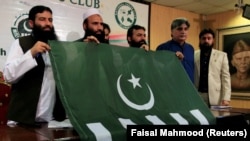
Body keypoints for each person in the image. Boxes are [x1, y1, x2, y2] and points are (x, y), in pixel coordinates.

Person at [3, 5, 66, 126]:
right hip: (23, 120)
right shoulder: (21, 43)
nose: (48, 23)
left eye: (50, 20)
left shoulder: (58, 48)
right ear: (31, 23)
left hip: (50, 121)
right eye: (42, 19)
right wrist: (31, 53)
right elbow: (8, 75)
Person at [194, 28, 231, 106]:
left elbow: (226, 78)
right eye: (203, 38)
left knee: (215, 117)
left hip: (215, 96)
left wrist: (226, 98)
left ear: (213, 40)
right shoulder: (194, 55)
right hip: (197, 94)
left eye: (209, 38)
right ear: (200, 40)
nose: (206, 41)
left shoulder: (222, 55)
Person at [156, 18, 194, 83]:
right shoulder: (163, 48)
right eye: (179, 29)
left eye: (186, 29)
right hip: (171, 87)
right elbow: (158, 70)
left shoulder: (190, 48)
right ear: (172, 31)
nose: (183, 32)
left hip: (189, 87)